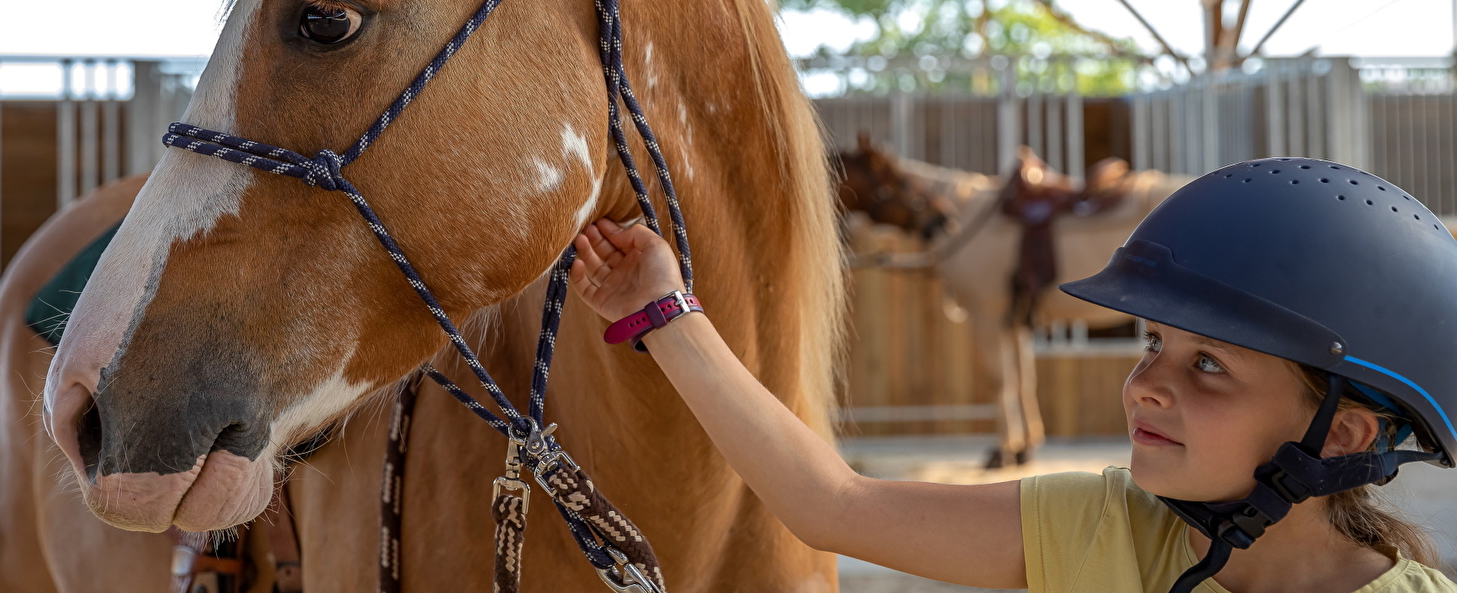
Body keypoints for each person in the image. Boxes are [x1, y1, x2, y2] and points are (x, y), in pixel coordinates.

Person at [569, 157, 1457, 593]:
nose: (1147, 382)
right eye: (1151, 343)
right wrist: (663, 309)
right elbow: (828, 504)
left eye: (1210, 364)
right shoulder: (1096, 525)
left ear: (1338, 436)